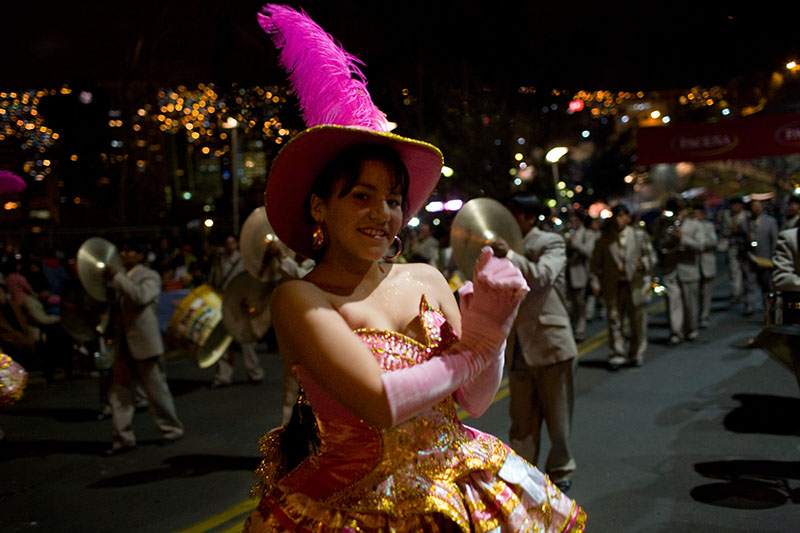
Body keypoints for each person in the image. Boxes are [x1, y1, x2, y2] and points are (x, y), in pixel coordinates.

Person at [245, 5, 585, 531]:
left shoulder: (425, 277)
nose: (382, 214)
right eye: (361, 195)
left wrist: (493, 330)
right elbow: (381, 404)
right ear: (319, 207)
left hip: (462, 491)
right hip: (356, 509)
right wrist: (476, 347)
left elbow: (472, 402)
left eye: (393, 199)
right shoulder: (299, 299)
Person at [490, 195, 579, 493]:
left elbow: (542, 276)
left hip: (551, 343)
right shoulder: (501, 248)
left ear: (527, 217)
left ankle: (561, 468)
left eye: (512, 216)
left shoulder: (550, 242)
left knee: (558, 417)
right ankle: (523, 474)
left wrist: (511, 256)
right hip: (518, 348)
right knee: (521, 420)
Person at [104, 241, 184, 455]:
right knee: (120, 393)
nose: (124, 253)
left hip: (145, 343)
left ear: (139, 256)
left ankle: (172, 428)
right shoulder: (120, 278)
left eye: (129, 250)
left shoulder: (150, 276)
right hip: (124, 344)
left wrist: (117, 279)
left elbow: (140, 297)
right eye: (124, 250)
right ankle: (122, 438)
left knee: (156, 390)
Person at [591, 204, 657, 367]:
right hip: (613, 285)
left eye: (622, 216)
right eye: (616, 217)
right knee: (615, 320)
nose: (619, 220)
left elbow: (651, 257)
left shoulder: (638, 236)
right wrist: (595, 283)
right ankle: (617, 353)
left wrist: (644, 264)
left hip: (634, 284)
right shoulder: (604, 240)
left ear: (628, 218)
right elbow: (595, 265)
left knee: (637, 321)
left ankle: (636, 353)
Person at [208, 234, 265, 388]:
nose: (230, 246)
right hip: (223, 303)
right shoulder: (219, 261)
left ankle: (255, 372)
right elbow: (213, 280)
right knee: (223, 343)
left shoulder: (243, 260)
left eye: (232, 242)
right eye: (227, 243)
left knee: (245, 340)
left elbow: (252, 281)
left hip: (241, 304)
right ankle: (223, 376)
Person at [653, 197, 704, 344]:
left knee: (690, 304)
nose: (676, 214)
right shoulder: (662, 224)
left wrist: (682, 238)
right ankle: (675, 332)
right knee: (672, 302)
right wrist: (666, 240)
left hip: (688, 268)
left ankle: (691, 329)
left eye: (679, 211)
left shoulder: (695, 225)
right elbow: (657, 244)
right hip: (670, 268)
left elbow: (701, 245)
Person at [564, 212, 597, 343]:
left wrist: (574, 244)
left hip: (580, 273)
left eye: (575, 220)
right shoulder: (567, 233)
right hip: (567, 274)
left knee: (580, 304)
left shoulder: (588, 234)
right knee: (568, 305)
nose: (573, 223)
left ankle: (579, 331)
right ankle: (572, 329)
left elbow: (589, 252)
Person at [719, 197, 753, 308]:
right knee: (734, 271)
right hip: (733, 246)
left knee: (747, 273)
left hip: (745, 247)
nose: (735, 207)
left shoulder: (747, 215)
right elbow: (723, 231)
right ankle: (736, 293)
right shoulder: (727, 216)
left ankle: (748, 299)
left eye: (737, 204)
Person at [747, 198, 779, 313]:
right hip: (752, 257)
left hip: (765, 258)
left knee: (767, 285)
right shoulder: (748, 221)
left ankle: (769, 308)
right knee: (750, 284)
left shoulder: (770, 221)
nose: (755, 209)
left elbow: (774, 241)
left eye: (757, 206)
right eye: (753, 206)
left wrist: (773, 258)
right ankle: (750, 306)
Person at [693, 201, 719, 328]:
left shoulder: (708, 226)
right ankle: (695, 316)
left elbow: (713, 240)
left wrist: (702, 244)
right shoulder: (691, 226)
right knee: (695, 293)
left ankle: (704, 316)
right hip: (694, 264)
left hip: (706, 262)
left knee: (706, 292)